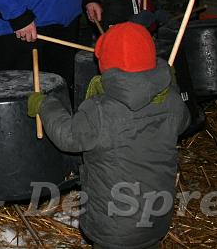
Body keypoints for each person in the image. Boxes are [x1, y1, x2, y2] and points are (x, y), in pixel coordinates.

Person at [28, 22, 190, 248]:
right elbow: (183, 122)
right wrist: (169, 85)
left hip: (113, 224)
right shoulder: (171, 100)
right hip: (157, 215)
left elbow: (69, 137)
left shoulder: (100, 110)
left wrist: (46, 105)